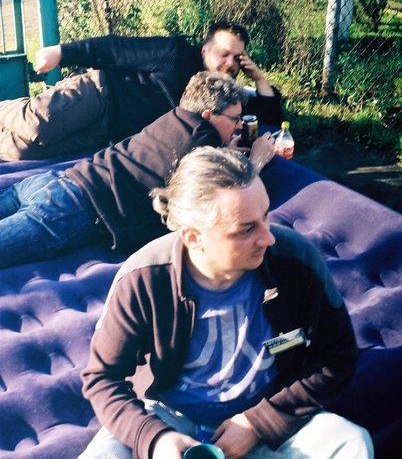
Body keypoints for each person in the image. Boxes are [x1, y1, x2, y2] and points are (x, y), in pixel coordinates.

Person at [78, 146, 374, 459]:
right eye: (246, 229)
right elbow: (102, 378)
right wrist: (155, 438)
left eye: (265, 216)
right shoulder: (143, 278)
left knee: (351, 443)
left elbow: (337, 355)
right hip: (171, 419)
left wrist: (260, 423)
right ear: (193, 237)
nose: (268, 237)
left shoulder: (295, 259)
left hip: (267, 415)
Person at [0, 72, 275, 268]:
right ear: (207, 116)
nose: (238, 125)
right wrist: (257, 160)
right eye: (234, 119)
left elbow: (182, 155)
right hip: (71, 210)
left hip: (54, 182)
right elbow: (230, 191)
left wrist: (225, 148)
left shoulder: (174, 117)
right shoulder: (203, 139)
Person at [0, 21, 284, 160]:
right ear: (205, 50)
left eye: (237, 58)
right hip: (100, 95)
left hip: (107, 133)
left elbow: (269, 119)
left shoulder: (223, 94)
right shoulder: (175, 53)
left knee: (20, 151)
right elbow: (116, 48)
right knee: (37, 124)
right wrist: (61, 52)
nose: (230, 63)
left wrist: (259, 78)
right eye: (224, 54)